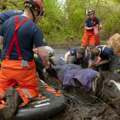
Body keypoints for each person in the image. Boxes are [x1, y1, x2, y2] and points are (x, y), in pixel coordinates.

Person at [0, 0, 49, 119]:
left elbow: (1, 43)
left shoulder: (6, 23)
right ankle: (18, 95)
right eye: (40, 16)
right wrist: (46, 62)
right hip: (24, 69)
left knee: (2, 88)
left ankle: (3, 93)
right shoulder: (33, 27)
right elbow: (43, 53)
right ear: (36, 11)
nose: (39, 19)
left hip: (6, 67)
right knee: (31, 90)